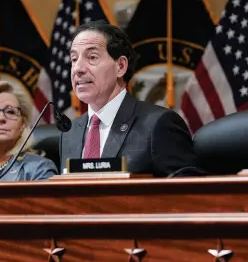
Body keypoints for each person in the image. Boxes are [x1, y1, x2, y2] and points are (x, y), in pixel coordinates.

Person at [60, 20, 200, 177]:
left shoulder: (158, 125)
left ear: (120, 66)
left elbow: (189, 194)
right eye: (73, 59)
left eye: (92, 57)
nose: (78, 68)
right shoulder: (70, 132)